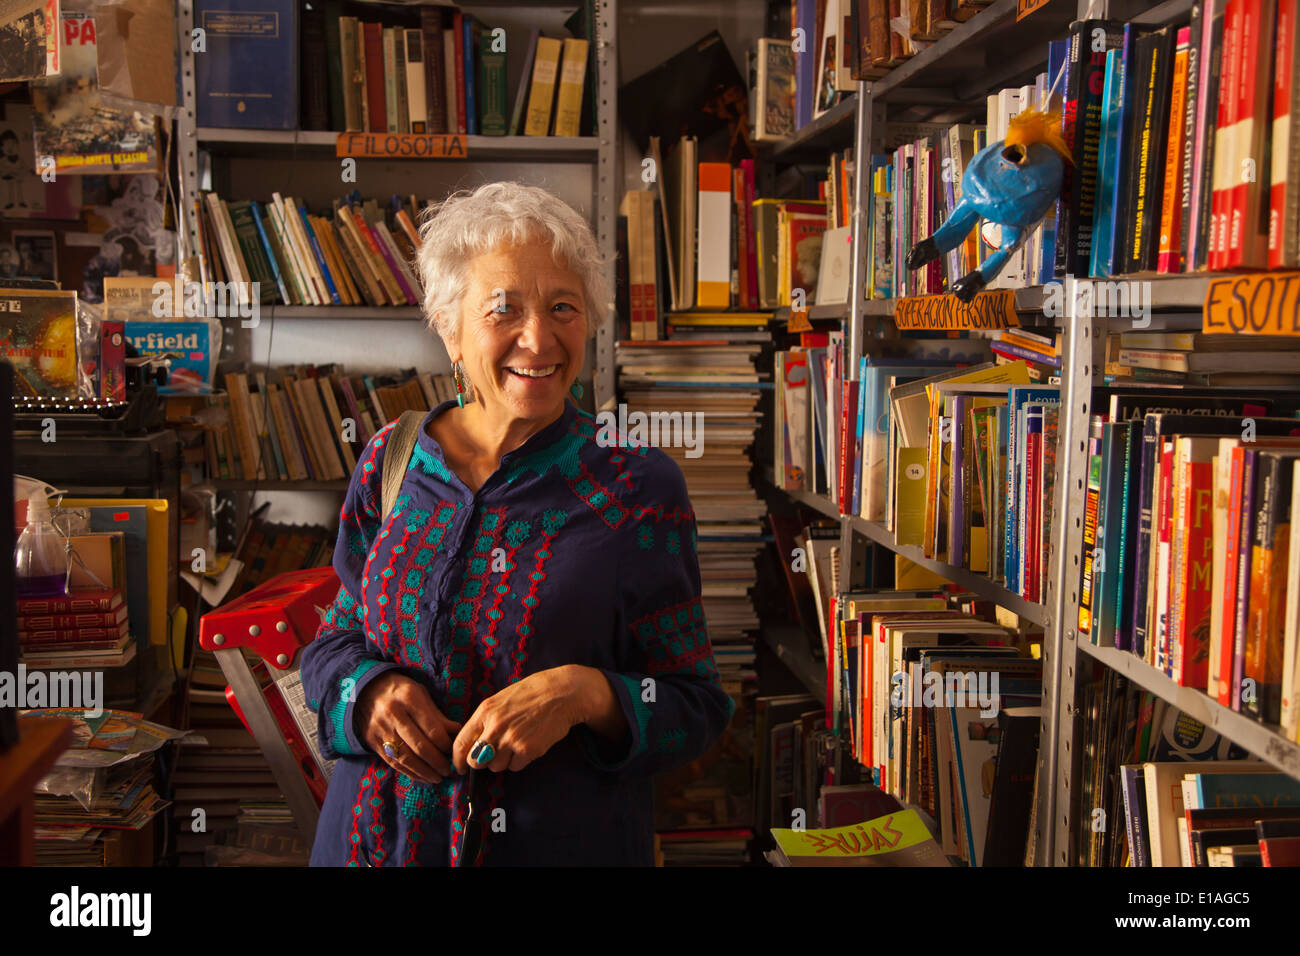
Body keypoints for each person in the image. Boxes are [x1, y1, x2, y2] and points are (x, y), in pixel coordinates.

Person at [301, 182, 733, 866]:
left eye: (563, 307)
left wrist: (588, 694)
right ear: (450, 327)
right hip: (369, 846)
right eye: (503, 309)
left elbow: (696, 706)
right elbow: (337, 638)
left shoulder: (636, 486)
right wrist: (366, 695)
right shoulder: (393, 457)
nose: (538, 338)